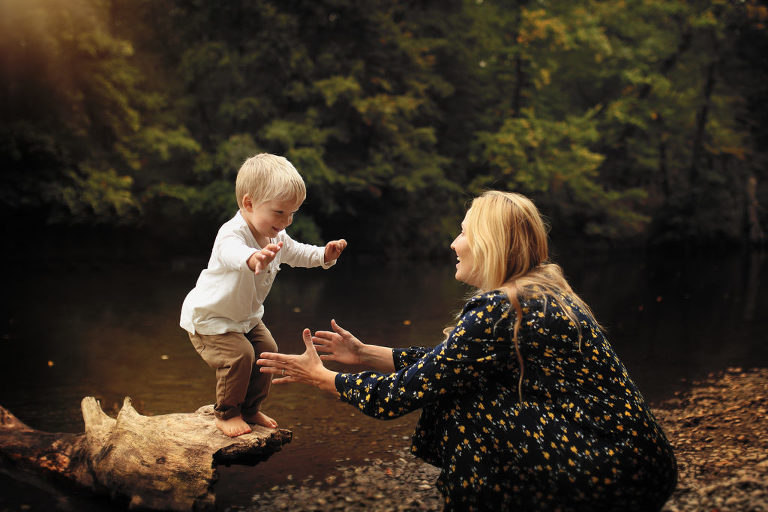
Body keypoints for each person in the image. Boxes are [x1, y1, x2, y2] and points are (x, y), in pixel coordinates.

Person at [257, 190, 677, 511]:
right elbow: (455, 360)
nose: (453, 243)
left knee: (464, 401)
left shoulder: (505, 306)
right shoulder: (542, 288)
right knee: (466, 384)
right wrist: (367, 354)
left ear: (488, 243)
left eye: (463, 232)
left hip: (610, 472)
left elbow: (400, 396)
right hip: (634, 463)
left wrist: (321, 376)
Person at [180, 153, 347, 437]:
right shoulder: (231, 234)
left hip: (246, 318)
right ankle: (226, 412)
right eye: (280, 212)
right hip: (211, 320)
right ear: (249, 203)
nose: (287, 221)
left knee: (267, 351)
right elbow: (232, 253)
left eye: (292, 213)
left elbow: (296, 252)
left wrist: (323, 255)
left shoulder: (276, 236)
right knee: (241, 356)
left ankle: (249, 407)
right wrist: (253, 258)